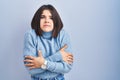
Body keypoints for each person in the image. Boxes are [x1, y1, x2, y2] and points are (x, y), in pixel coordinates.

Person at [23, 4, 73, 80]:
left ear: (55, 20)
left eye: (51, 18)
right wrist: (58, 56)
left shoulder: (63, 35)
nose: (47, 21)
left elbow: (67, 67)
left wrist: (43, 63)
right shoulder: (30, 35)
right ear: (37, 20)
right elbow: (31, 70)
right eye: (42, 17)